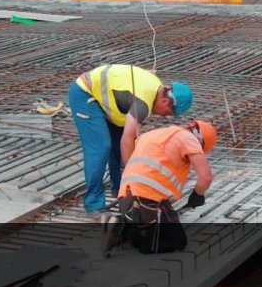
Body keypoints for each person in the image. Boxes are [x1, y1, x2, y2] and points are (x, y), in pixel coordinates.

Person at [69, 65, 194, 216]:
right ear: (166, 102)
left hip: (106, 100)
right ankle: (94, 205)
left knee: (116, 147)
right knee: (101, 147)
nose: (164, 117)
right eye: (167, 113)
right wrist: (133, 175)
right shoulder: (143, 103)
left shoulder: (155, 90)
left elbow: (127, 140)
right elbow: (127, 140)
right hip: (85, 92)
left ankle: (120, 190)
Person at [108, 120, 217, 254]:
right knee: (177, 240)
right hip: (148, 200)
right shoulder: (189, 139)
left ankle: (128, 226)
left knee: (156, 224)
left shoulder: (156, 134)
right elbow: (206, 178)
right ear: (201, 142)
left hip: (125, 199)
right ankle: (126, 234)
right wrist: (197, 195)